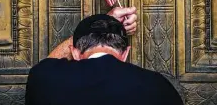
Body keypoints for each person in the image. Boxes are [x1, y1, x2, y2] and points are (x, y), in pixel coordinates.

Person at [25, 7, 183, 105]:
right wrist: (108, 23)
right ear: (126, 53)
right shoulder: (158, 86)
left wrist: (103, 21)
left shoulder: (44, 80)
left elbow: (47, 65)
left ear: (73, 52)